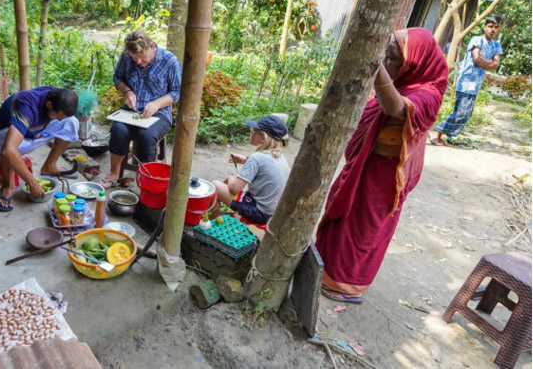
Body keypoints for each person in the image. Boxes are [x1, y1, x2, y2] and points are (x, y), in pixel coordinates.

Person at [315, 28, 448, 304]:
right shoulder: (403, 82)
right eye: (386, 57)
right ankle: (323, 271)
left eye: (393, 58)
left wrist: (377, 68)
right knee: (342, 217)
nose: (388, 63)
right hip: (366, 163)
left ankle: (346, 285)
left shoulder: (428, 93)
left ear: (414, 62)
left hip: (386, 176)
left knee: (362, 230)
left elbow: (397, 110)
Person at [99, 31, 182, 188]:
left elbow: (177, 92)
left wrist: (157, 103)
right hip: (131, 111)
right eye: (133, 57)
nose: (137, 61)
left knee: (147, 135)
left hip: (160, 114)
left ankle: (146, 179)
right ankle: (114, 173)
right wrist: (127, 92)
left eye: (141, 57)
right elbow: (118, 78)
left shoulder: (169, 61)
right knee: (118, 130)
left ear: (151, 46)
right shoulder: (126, 57)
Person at [0, 87, 79, 211]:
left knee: (71, 122)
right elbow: (8, 151)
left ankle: (50, 166)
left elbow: (64, 117)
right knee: (10, 146)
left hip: (30, 133)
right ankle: (7, 186)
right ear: (49, 104)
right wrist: (32, 182)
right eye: (57, 116)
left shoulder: (58, 95)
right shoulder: (26, 105)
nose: (59, 120)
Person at [432, 16, 503, 146]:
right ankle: (437, 134)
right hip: (466, 80)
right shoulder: (477, 40)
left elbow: (496, 65)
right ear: (484, 27)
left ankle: (442, 136)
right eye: (490, 26)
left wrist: (487, 63)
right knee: (460, 111)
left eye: (496, 27)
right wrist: (490, 63)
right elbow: (477, 60)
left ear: (500, 28)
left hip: (476, 83)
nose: (493, 30)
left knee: (466, 113)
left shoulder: (496, 45)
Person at [211, 115, 290, 226]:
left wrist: (231, 178)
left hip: (258, 212)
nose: (251, 133)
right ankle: (224, 219)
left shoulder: (257, 157)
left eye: (254, 131)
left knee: (216, 186)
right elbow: (265, 167)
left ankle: (213, 226)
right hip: (272, 212)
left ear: (263, 137)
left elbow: (234, 188)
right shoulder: (280, 156)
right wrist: (245, 160)